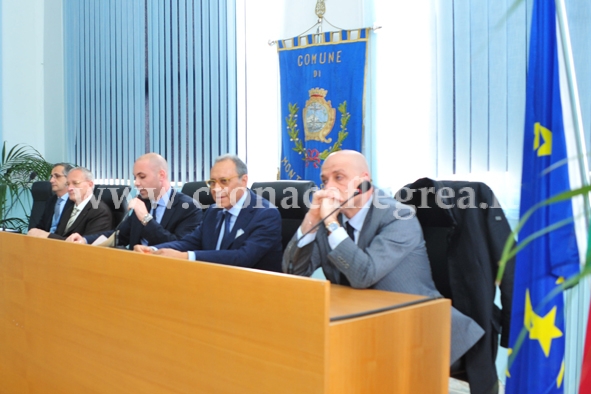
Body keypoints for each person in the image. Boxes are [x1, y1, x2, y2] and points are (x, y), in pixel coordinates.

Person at [282, 150, 484, 365]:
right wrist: (310, 220)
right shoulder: (329, 220)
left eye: (338, 178)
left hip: (418, 328)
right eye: (324, 180)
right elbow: (294, 271)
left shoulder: (399, 216)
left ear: (364, 182)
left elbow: (363, 275)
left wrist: (332, 224)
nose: (329, 187)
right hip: (359, 325)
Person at [134, 154, 282, 272]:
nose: (216, 189)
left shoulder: (265, 214)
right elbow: (190, 242)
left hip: (255, 292)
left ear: (243, 181)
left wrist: (186, 257)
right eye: (212, 182)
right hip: (212, 284)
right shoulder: (213, 211)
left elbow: (242, 257)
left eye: (224, 181)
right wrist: (153, 250)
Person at [67, 153, 202, 249]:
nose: (136, 183)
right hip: (134, 266)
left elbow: (178, 247)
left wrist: (146, 218)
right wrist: (85, 240)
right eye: (135, 177)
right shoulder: (143, 201)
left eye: (142, 177)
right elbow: (120, 235)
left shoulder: (188, 208)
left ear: (161, 175)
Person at [28, 167, 113, 240]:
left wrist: (47, 236)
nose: (70, 188)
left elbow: (87, 247)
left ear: (90, 185)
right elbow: (60, 235)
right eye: (68, 184)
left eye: (75, 183)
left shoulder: (99, 211)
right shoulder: (70, 208)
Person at [29, 162, 74, 233]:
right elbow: (42, 226)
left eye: (57, 176)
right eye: (52, 176)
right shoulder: (51, 201)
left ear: (69, 179)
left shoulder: (75, 202)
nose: (51, 180)